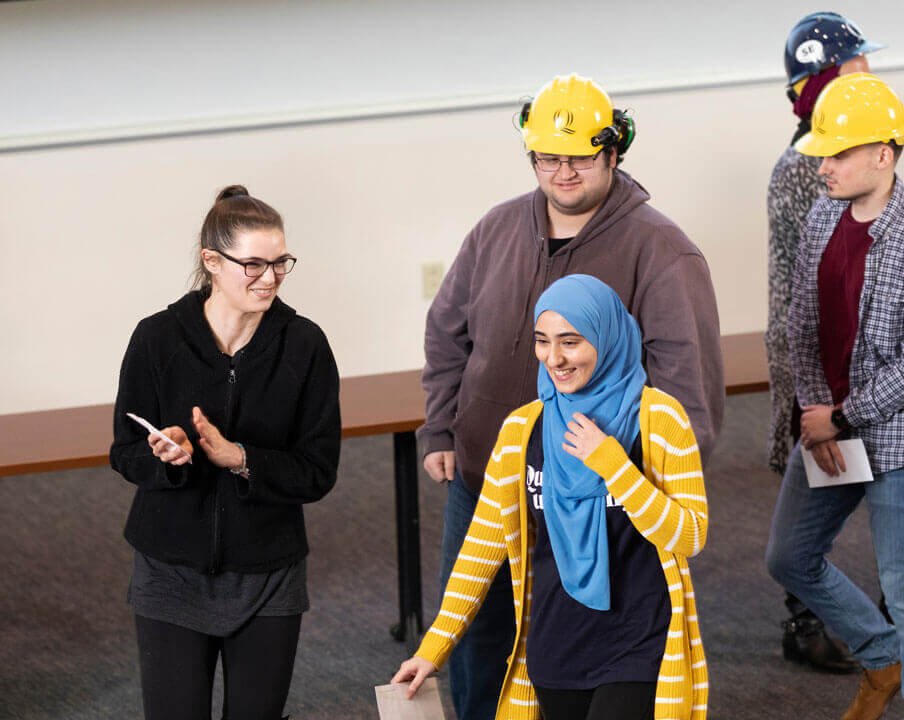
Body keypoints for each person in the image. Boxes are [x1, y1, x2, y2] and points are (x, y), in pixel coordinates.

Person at [417, 73, 723, 720]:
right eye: (548, 156)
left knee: (590, 655)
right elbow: (447, 330)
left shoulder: (662, 250)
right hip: (493, 473)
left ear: (613, 152)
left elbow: (686, 386)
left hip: (604, 501)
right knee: (481, 638)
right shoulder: (496, 229)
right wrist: (440, 430)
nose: (563, 171)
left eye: (580, 155)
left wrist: (647, 480)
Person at [767, 11, 904, 671]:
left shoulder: (862, 171)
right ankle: (832, 633)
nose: (866, 82)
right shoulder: (804, 171)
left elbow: (879, 258)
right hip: (823, 381)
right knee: (799, 544)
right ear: (814, 87)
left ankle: (900, 650)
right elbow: (822, 289)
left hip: (867, 395)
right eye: (853, 71)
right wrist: (818, 409)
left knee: (898, 562)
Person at [394, 275, 709, 720]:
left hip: (639, 638)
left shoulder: (660, 420)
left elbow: (689, 536)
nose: (554, 358)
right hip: (557, 640)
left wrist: (615, 467)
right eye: (543, 342)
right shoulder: (524, 429)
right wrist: (433, 648)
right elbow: (481, 548)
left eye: (571, 341)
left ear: (606, 337)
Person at [109, 185, 341, 720]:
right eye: (253, 265)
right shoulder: (157, 339)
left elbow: (318, 471)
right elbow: (124, 453)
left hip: (268, 575)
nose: (270, 279)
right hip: (170, 571)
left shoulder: (305, 345)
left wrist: (239, 457)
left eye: (281, 263)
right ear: (211, 261)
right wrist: (168, 457)